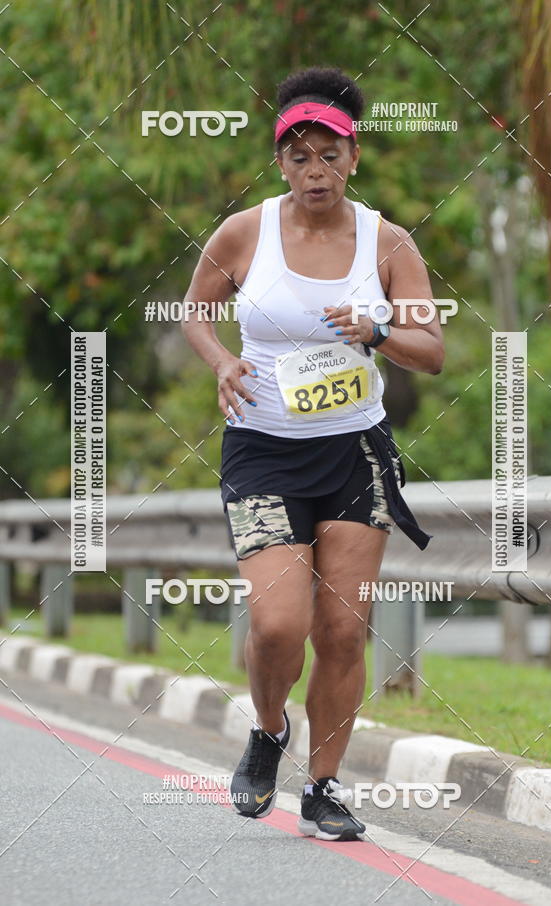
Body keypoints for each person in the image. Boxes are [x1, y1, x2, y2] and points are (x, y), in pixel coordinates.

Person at [182, 65, 444, 842]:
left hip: (355, 453)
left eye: (329, 155)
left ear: (353, 158)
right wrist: (221, 362)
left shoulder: (388, 242)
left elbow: (431, 349)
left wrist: (376, 332)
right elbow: (194, 311)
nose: (315, 171)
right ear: (280, 164)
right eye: (299, 157)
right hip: (262, 451)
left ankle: (324, 787)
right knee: (277, 625)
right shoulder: (245, 232)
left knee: (341, 631)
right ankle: (269, 730)